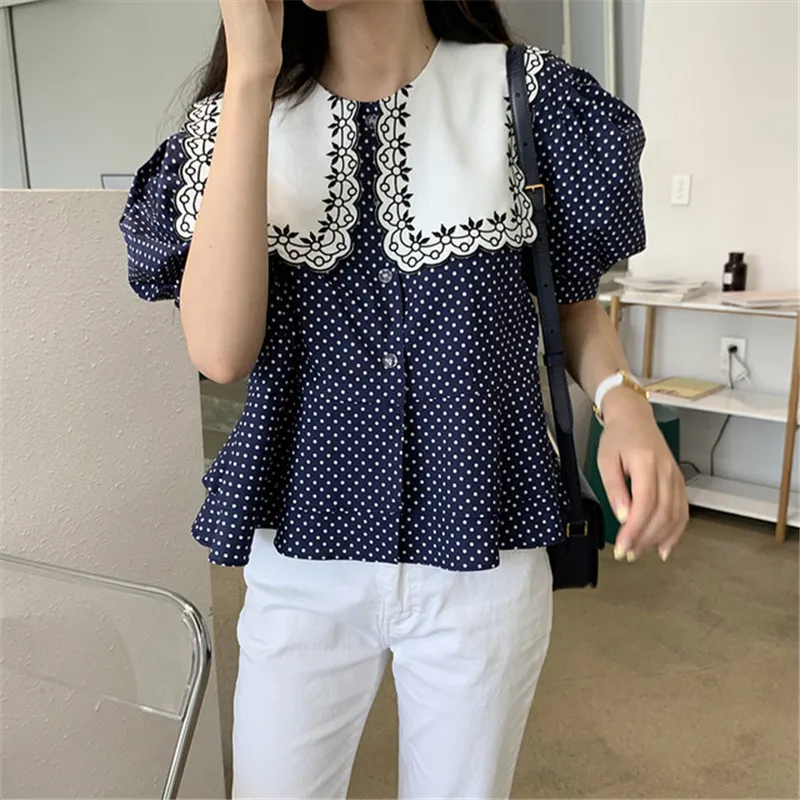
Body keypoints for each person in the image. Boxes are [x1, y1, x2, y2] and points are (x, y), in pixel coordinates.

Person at [120, 0, 688, 796]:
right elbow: (220, 352)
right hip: (304, 555)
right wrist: (249, 76)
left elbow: (569, 303)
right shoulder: (238, 121)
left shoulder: (527, 96)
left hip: (481, 548)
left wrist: (622, 400)